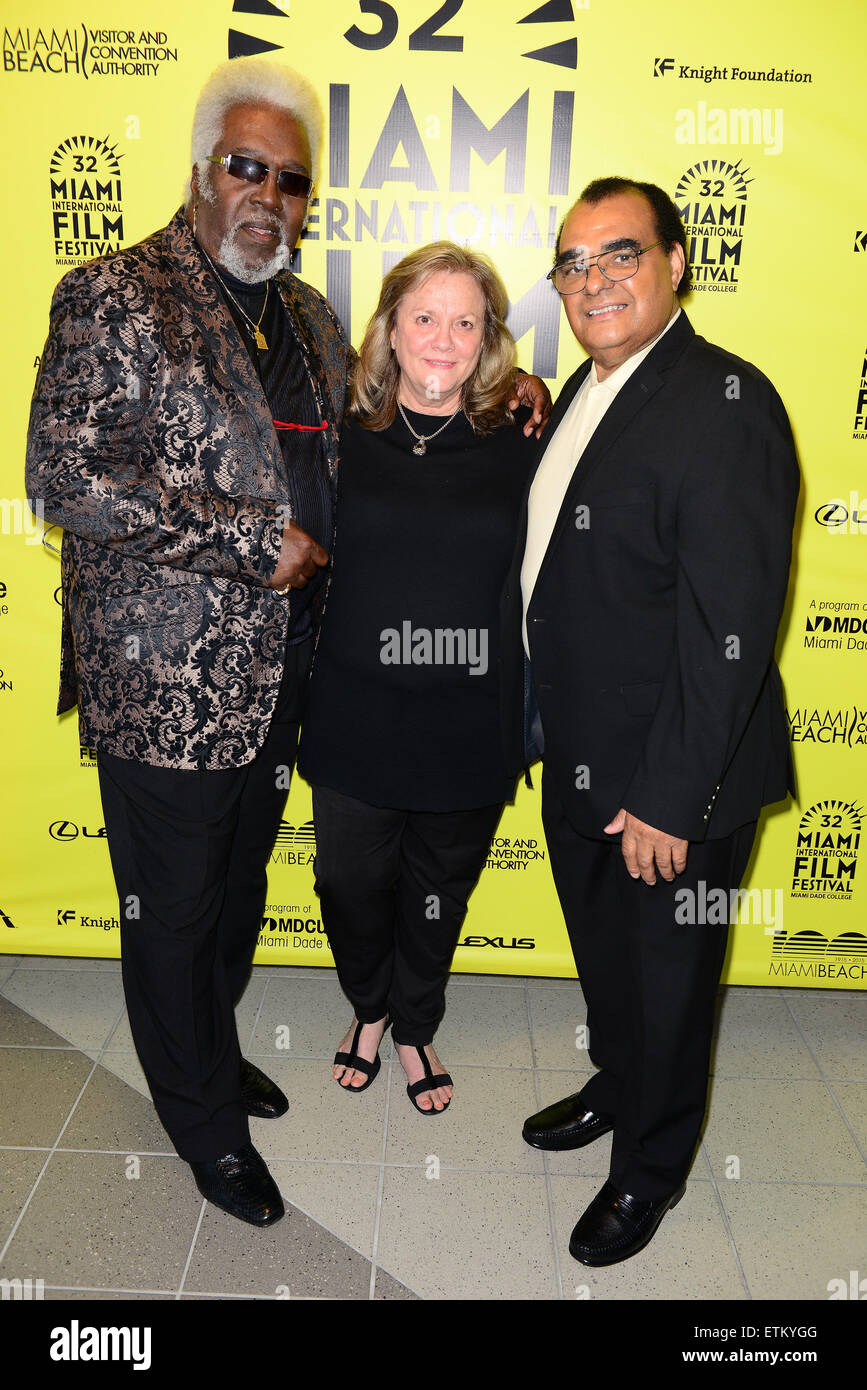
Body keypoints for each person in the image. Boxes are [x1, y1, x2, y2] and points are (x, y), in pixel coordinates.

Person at [25, 57, 353, 1226]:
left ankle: (205, 1047)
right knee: (169, 908)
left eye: (293, 179)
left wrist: (503, 397)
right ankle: (199, 1120)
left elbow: (361, 447)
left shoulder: (312, 315)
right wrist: (245, 540)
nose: (268, 193)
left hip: (282, 677)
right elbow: (63, 475)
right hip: (161, 679)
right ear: (204, 171)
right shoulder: (115, 293)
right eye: (246, 166)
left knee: (234, 891)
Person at [501, 177, 799, 1264]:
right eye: (573, 264)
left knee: (669, 982)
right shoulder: (588, 388)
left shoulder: (726, 400)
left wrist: (669, 798)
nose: (595, 280)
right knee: (611, 965)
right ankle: (618, 1085)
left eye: (619, 252)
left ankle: (651, 1168)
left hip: (675, 779)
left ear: (676, 259)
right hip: (582, 756)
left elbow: (731, 626)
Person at [297, 243, 546, 1114]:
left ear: (488, 341)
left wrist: (533, 389)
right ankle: (366, 1006)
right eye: (425, 317)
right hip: (355, 714)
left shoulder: (522, 440)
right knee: (348, 885)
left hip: (468, 722)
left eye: (465, 321)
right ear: (390, 331)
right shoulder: (337, 434)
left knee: (440, 891)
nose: (444, 338)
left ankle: (413, 1025)